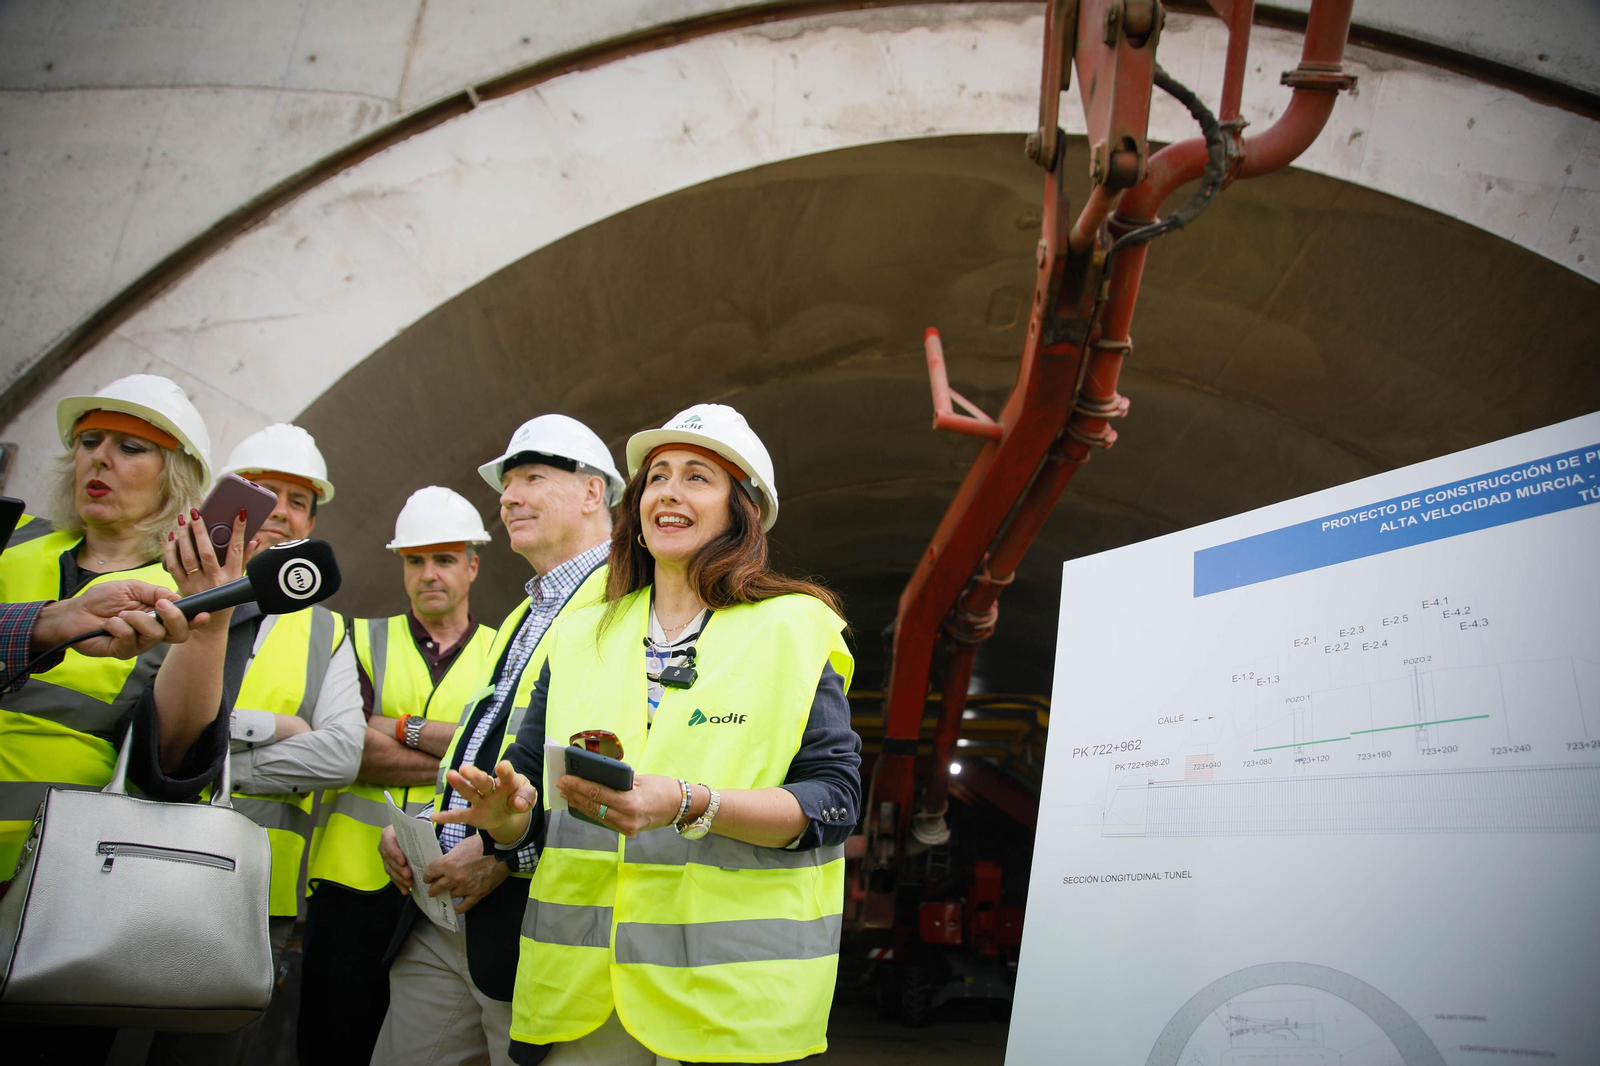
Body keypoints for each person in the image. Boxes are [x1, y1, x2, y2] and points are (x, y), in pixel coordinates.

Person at [441, 403, 862, 1065]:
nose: (668, 489)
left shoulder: (793, 630)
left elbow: (834, 803)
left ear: (740, 508)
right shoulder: (579, 636)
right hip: (585, 1003)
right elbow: (535, 804)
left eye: (698, 477)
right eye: (658, 476)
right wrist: (506, 822)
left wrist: (691, 803)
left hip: (726, 1002)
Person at [0, 374, 249, 1064]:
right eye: (88, 441)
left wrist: (205, 627)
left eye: (130, 447)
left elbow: (171, 762)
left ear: (175, 478)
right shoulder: (10, 546)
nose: (98, 459)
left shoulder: (186, 594)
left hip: (57, 895)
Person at [371, 415, 622, 1066]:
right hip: (445, 909)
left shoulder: (628, 602)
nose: (508, 498)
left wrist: (505, 856)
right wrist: (423, 824)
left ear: (593, 493)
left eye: (531, 478)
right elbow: (483, 745)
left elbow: (613, 769)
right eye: (506, 485)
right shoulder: (527, 610)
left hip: (526, 913)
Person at [144, 422, 363, 1066]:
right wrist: (276, 729)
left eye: (300, 502)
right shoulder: (158, 587)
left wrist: (218, 745)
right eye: (267, 494)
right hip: (138, 860)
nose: (283, 514)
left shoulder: (328, 630)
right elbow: (139, 719)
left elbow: (340, 754)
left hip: (253, 893)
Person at [297, 487, 499, 1066]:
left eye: (443, 559)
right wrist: (463, 750)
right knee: (332, 1044)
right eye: (415, 560)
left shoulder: (503, 650)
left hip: (448, 887)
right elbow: (350, 750)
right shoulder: (356, 637)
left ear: (473, 565)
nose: (428, 574)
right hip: (351, 885)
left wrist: (398, 726)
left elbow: (502, 758)